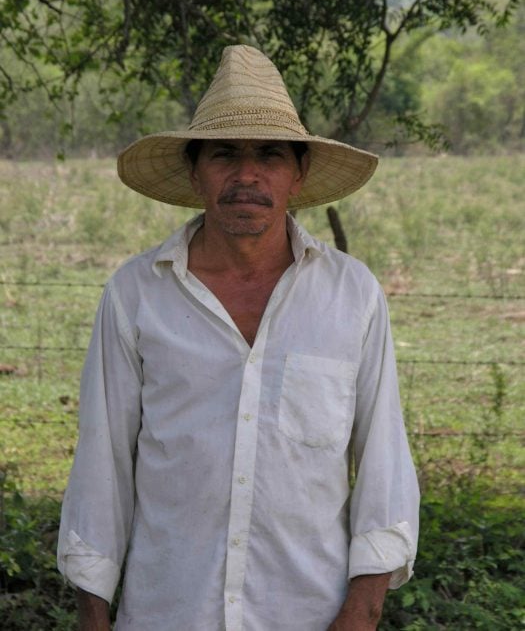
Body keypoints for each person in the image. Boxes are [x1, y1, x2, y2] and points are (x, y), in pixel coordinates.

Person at [57, 44, 419, 631]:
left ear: (297, 174)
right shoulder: (136, 294)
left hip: (309, 614)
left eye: (269, 155)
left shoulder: (351, 295)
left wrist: (362, 611)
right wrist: (94, 615)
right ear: (196, 171)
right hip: (166, 613)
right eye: (225, 153)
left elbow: (383, 462)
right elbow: (102, 466)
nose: (246, 175)